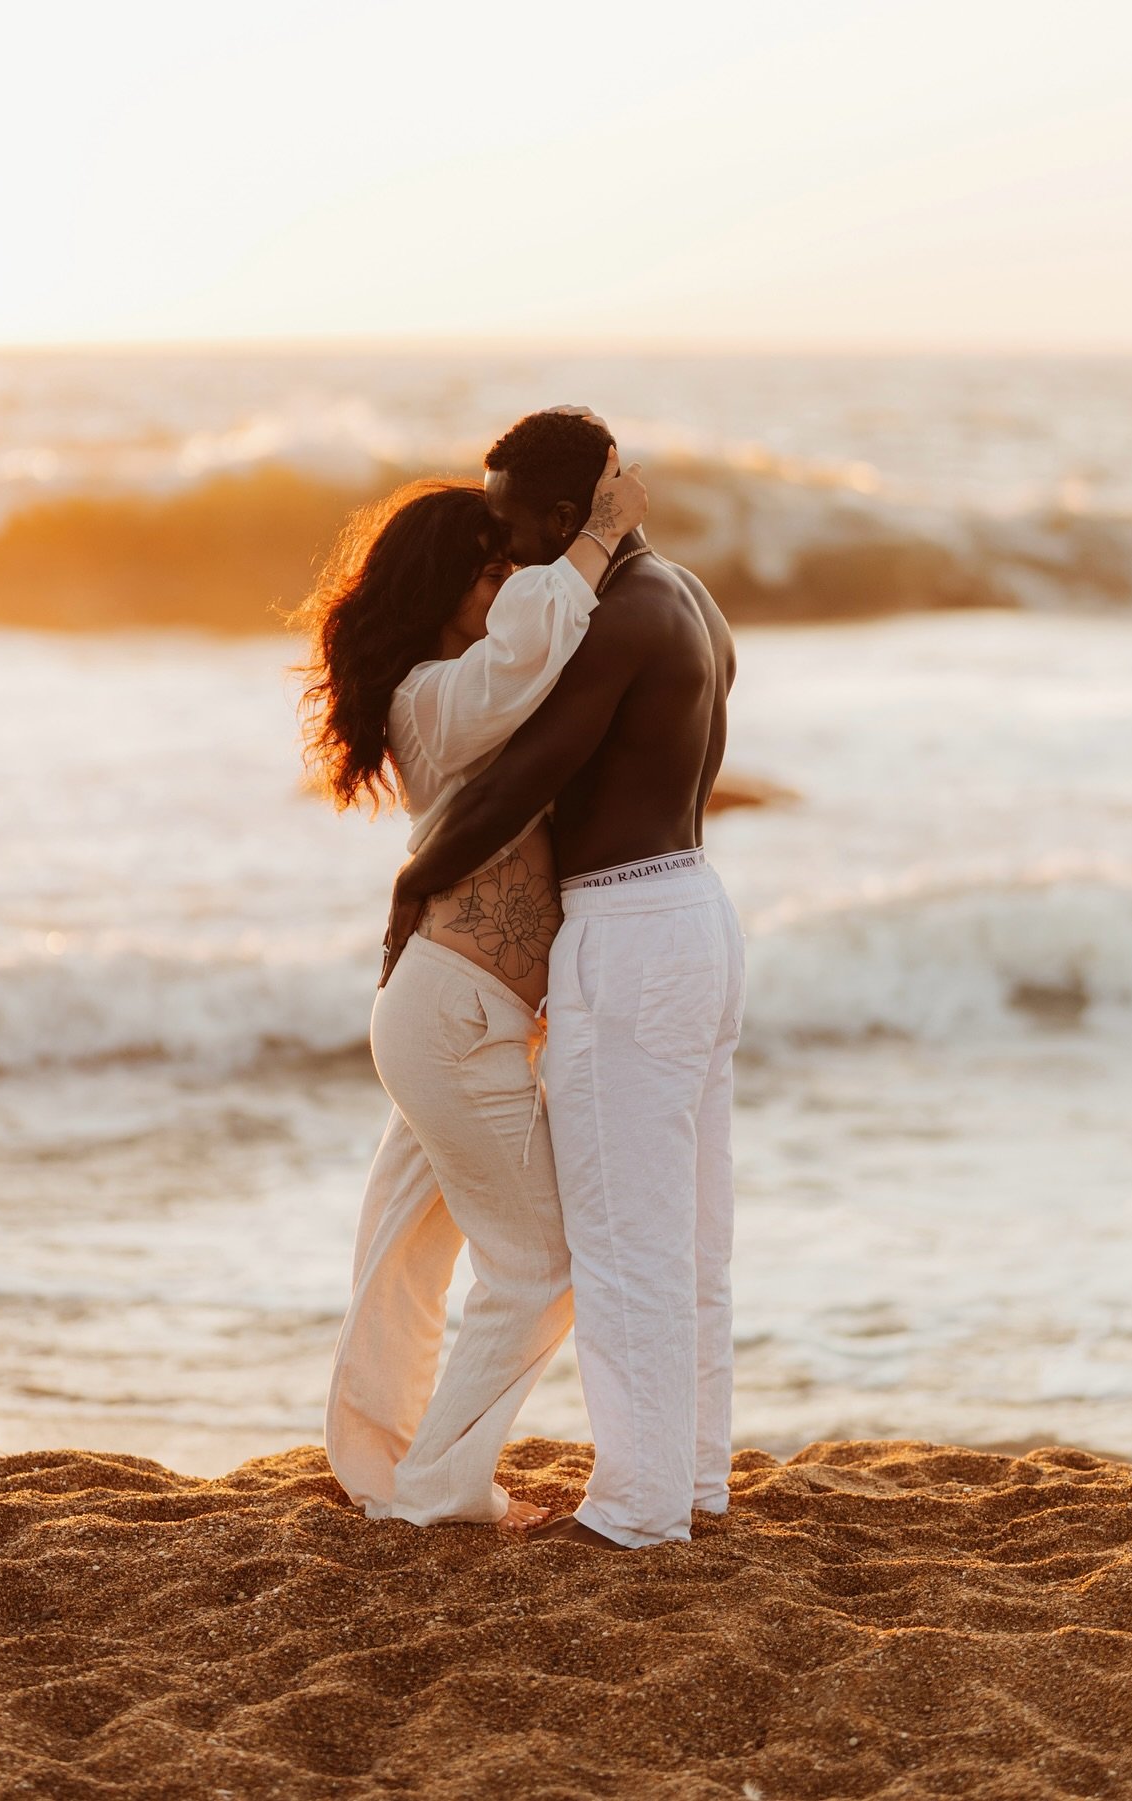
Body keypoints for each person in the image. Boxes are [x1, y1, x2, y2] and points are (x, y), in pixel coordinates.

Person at [382, 409, 746, 1551]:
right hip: (696, 909)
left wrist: (413, 883)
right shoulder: (688, 596)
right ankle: (691, 1480)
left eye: (507, 520)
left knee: (621, 1235)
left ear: (559, 514)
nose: (501, 546)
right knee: (688, 1232)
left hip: (631, 932)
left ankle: (635, 1510)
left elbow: (516, 781)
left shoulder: (614, 620)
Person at [297, 447, 649, 1529]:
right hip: (452, 1021)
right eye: (488, 570)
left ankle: (373, 1461)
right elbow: (532, 640)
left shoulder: (466, 698)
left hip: (456, 1017)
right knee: (543, 1262)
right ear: (439, 590)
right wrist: (595, 538)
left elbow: (540, 657)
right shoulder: (432, 701)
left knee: (404, 1253)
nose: (507, 586)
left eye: (509, 567)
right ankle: (440, 1487)